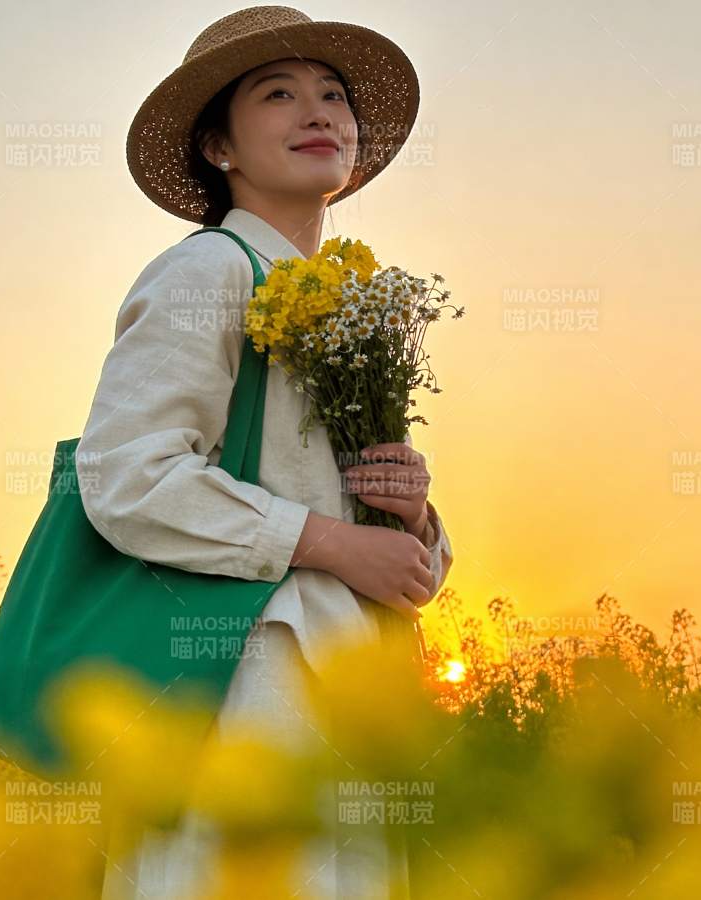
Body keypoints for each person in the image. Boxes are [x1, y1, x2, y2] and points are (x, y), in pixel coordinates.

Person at [80, 7, 449, 898]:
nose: (317, 111)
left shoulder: (343, 298)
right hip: (247, 670)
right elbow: (127, 474)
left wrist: (411, 519)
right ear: (219, 147)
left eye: (332, 95)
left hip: (344, 679)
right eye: (278, 94)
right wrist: (329, 541)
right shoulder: (210, 270)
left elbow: (389, 558)